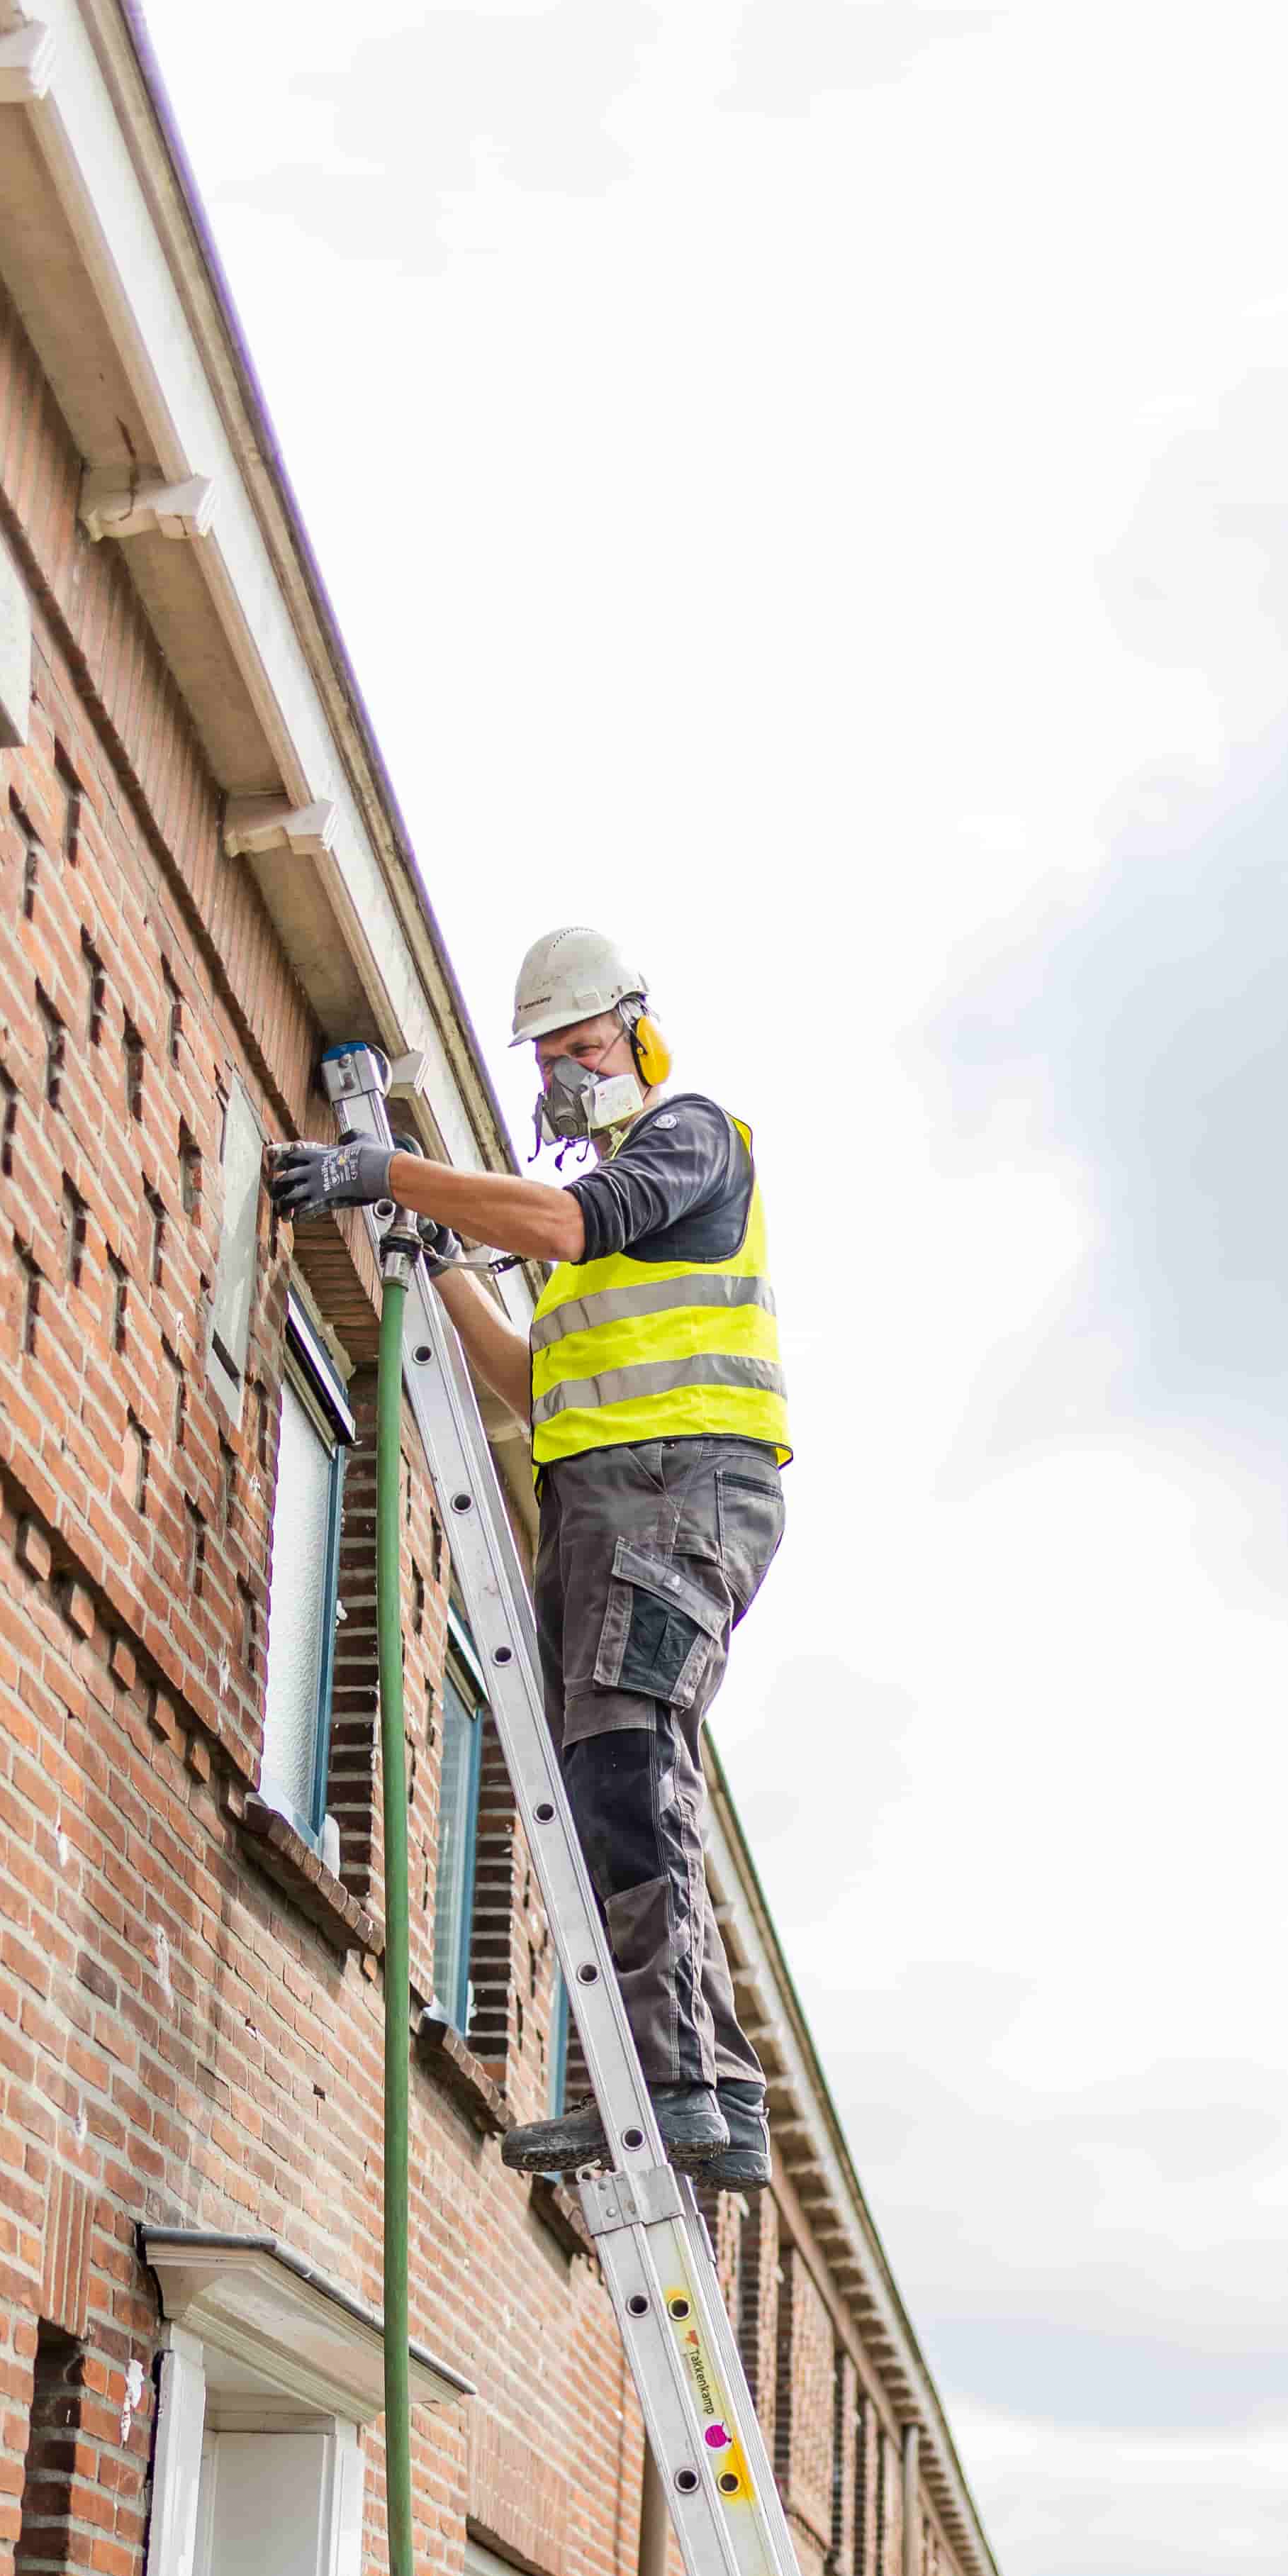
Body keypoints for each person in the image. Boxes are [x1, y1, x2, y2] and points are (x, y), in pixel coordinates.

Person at [267, 926, 786, 2192]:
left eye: (584, 1046)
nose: (565, 1073)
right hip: (606, 1493)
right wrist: (435, 1262)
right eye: (547, 1058)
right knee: (614, 1771)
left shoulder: (690, 1136)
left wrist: (390, 1165)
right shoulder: (585, 1242)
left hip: (680, 1489)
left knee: (623, 1762)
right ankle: (704, 2095)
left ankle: (682, 2093)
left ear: (637, 1030)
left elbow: (559, 1221)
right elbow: (526, 1381)